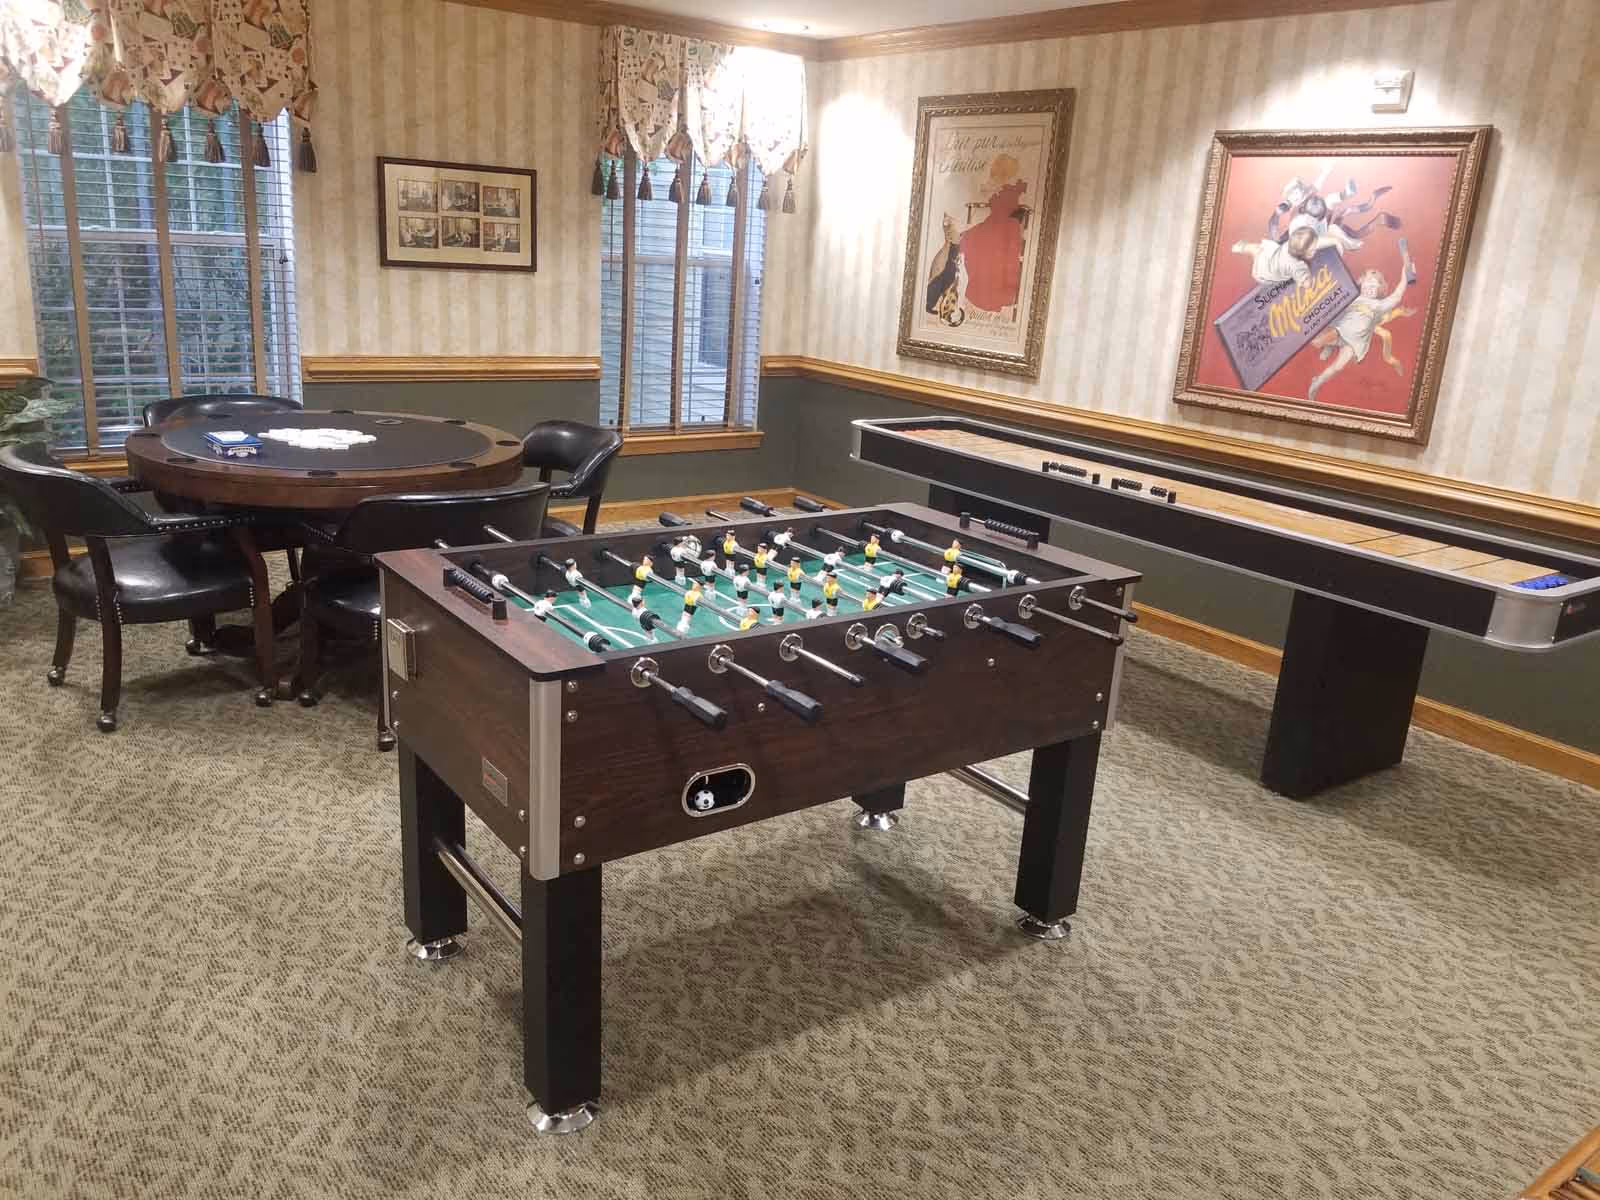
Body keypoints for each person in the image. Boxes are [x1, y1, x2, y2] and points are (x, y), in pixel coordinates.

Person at [1307, 244, 1417, 404]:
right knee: (1318, 341)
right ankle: (1327, 345)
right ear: (1361, 283)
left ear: (1380, 288)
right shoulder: (1353, 295)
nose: (1371, 287)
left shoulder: (1380, 305)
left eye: (1375, 285)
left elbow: (1398, 295)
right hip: (1339, 329)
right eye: (1368, 283)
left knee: (1338, 367)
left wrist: (1405, 274)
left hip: (1354, 341)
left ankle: (1316, 382)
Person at [960, 154, 1028, 316]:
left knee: (974, 241)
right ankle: (980, 286)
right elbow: (986, 195)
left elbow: (998, 203)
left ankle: (989, 291)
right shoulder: (1005, 187)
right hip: (1000, 225)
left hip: (1002, 227)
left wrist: (992, 190)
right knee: (972, 240)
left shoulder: (1008, 189)